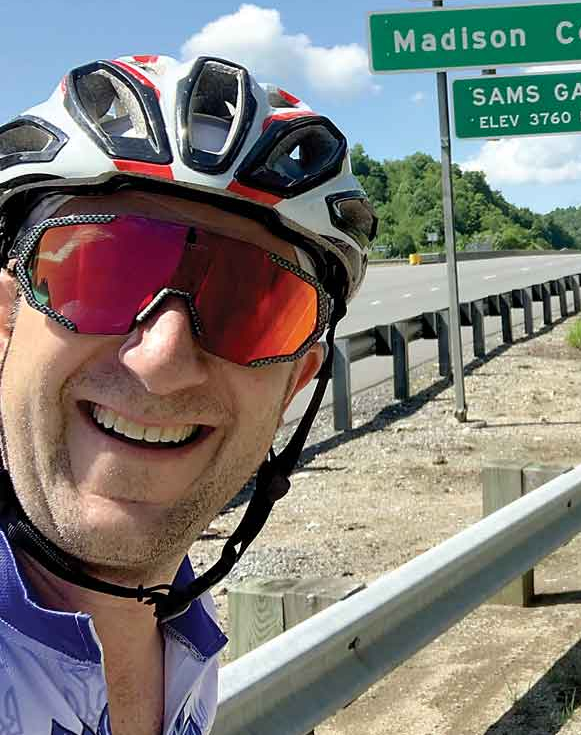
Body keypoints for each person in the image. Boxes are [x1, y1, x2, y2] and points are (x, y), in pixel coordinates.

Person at [0, 55, 376, 735]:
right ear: (4, 322)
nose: (164, 360)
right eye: (101, 271)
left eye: (248, 306)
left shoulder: (182, 642)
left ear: (294, 383)